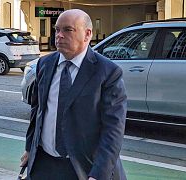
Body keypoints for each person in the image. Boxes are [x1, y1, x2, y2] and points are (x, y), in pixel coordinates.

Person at [20, 9, 127, 180]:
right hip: (44, 164)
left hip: (84, 169)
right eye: (57, 30)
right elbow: (37, 110)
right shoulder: (44, 64)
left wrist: (99, 174)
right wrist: (29, 148)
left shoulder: (107, 72)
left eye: (67, 30)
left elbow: (113, 130)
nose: (59, 35)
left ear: (87, 34)